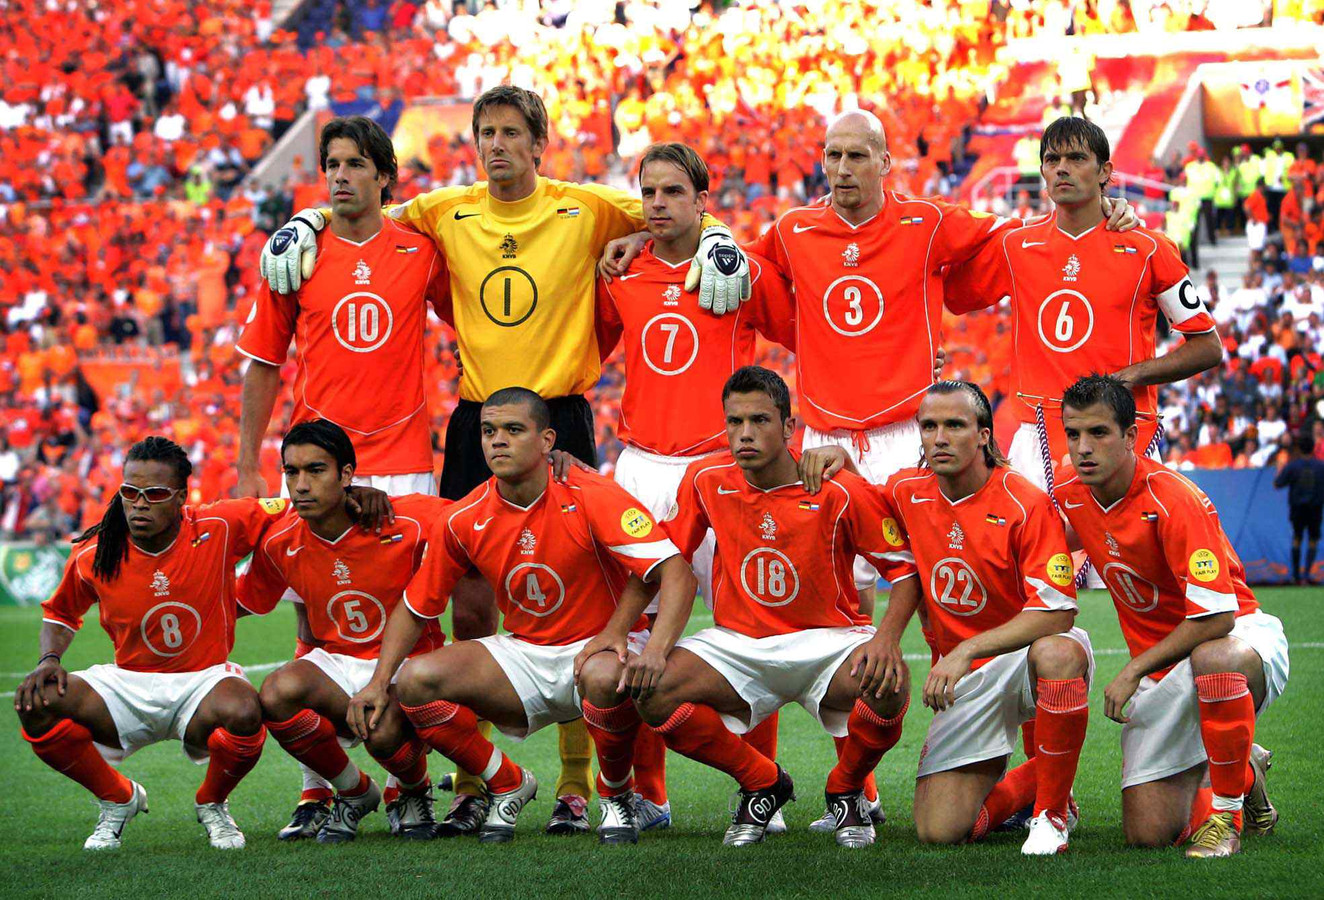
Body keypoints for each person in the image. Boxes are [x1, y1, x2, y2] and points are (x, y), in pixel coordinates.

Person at [258, 86, 750, 835]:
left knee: (587, 598)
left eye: (510, 133)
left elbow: (671, 207)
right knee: (471, 602)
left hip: (560, 413)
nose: (495, 145)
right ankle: (472, 780)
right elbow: (364, 212)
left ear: (538, 142)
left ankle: (579, 784)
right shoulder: (443, 211)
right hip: (475, 419)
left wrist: (719, 236)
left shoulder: (585, 206)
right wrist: (310, 217)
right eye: (485, 132)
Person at [347, 387, 698, 845]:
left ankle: (616, 795)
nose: (498, 441)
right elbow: (415, 608)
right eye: (489, 431)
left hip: (596, 653)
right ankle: (507, 780)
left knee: (604, 675)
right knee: (415, 681)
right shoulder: (464, 517)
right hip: (523, 654)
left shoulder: (591, 491)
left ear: (547, 439)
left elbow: (673, 573)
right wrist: (377, 683)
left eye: (514, 430)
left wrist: (650, 648)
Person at [237, 115, 450, 835]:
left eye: (356, 164)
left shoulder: (422, 250)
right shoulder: (293, 255)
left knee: (411, 631)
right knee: (313, 624)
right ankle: (320, 789)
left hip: (403, 468)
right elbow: (263, 363)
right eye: (332, 163)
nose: (340, 175)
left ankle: (408, 784)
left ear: (384, 176)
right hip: (318, 464)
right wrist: (245, 464)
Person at [593, 141, 797, 832]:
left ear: (702, 200)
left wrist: (727, 244)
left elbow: (804, 332)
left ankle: (758, 791)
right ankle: (644, 793)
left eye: (673, 192)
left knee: (748, 632)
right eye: (648, 192)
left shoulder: (738, 274)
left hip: (721, 466)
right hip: (642, 467)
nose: (657, 204)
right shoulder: (621, 272)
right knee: (632, 629)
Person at [634, 366, 918, 848]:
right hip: (739, 644)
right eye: (734, 422)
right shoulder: (705, 479)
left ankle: (846, 789)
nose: (745, 434)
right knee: (652, 689)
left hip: (827, 643)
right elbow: (666, 561)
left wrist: (887, 639)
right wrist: (652, 644)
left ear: (789, 428)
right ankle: (762, 781)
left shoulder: (838, 488)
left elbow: (905, 570)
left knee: (889, 684)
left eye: (760, 421)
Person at [806, 382, 1092, 854]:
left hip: (1021, 659)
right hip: (962, 681)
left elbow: (1057, 611)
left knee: (1060, 651)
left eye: (954, 425)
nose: (939, 437)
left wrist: (965, 650)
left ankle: (1052, 813)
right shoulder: (905, 490)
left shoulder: (1025, 501)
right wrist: (843, 458)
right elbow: (872, 515)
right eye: (929, 426)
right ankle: (1038, 781)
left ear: (983, 435)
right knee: (940, 831)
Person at [1053, 375, 1288, 858]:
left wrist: (1132, 669)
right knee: (1147, 833)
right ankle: (1245, 769)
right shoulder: (1074, 495)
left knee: (1214, 658)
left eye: (1098, 433)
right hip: (1161, 665)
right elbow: (1037, 543)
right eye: (1073, 434)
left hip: (1237, 634)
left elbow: (1217, 618)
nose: (1083, 448)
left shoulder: (1173, 498)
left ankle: (1227, 819)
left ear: (1131, 436)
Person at [14, 437, 287, 850]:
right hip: (127, 683)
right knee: (37, 702)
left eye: (155, 494)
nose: (139, 504)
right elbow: (60, 613)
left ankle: (212, 802)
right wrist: (49, 658)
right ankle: (117, 798)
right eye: (130, 492)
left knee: (245, 709)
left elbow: (298, 507)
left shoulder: (219, 525)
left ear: (180, 497)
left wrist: (358, 494)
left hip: (203, 681)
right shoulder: (96, 550)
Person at [946, 116, 1223, 495]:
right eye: (1052, 159)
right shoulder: (1015, 246)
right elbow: (950, 294)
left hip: (1119, 430)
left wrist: (1129, 377)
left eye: (1076, 158)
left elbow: (1207, 347)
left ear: (1104, 170)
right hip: (1037, 434)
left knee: (1125, 554)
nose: (1062, 168)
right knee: (1037, 554)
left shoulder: (1150, 249)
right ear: (1042, 170)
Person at [238, 420, 452, 843]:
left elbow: (479, 514)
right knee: (277, 691)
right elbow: (242, 602)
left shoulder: (403, 516)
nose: (300, 485)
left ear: (347, 475)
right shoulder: (279, 538)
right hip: (339, 664)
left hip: (413, 666)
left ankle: (413, 789)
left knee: (383, 730)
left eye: (315, 471)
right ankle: (354, 791)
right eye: (291, 472)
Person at [1274, 432, 1324, 585]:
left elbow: (1278, 483)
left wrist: (1280, 469)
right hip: (1315, 508)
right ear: (1313, 448)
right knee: (1313, 540)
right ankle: (1308, 574)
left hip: (1297, 509)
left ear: (1300, 448)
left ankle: (1296, 575)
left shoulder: (1293, 466)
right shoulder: (1320, 466)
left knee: (1297, 538)